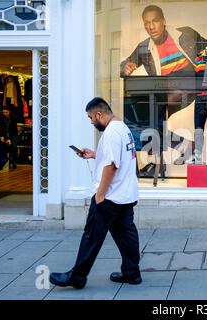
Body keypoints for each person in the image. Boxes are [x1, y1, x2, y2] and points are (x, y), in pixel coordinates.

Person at [49, 98, 141, 289]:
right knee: (126, 234)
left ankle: (77, 277)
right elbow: (118, 158)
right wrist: (94, 154)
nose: (91, 122)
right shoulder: (122, 128)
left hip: (110, 196)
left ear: (99, 114)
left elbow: (112, 166)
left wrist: (100, 195)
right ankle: (132, 273)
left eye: (91, 117)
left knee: (91, 236)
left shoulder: (111, 133)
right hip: (125, 194)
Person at [121, 5, 207, 165]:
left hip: (188, 83)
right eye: (146, 23)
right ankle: (185, 146)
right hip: (165, 88)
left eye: (155, 21)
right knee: (142, 120)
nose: (150, 27)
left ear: (164, 21)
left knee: (151, 120)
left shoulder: (185, 34)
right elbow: (125, 65)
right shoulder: (144, 48)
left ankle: (184, 146)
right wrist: (125, 67)